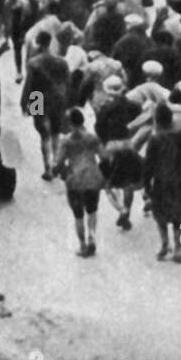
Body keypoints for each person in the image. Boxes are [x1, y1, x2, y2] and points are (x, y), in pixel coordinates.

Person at [142, 101, 181, 262]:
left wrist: (146, 185)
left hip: (161, 181)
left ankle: (164, 244)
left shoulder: (154, 139)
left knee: (160, 216)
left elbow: (148, 164)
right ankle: (179, 249)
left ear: (156, 121)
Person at [93, 77, 144, 231]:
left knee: (109, 182)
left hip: (112, 145)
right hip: (129, 144)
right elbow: (139, 121)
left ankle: (121, 209)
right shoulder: (133, 105)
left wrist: (105, 141)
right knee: (128, 182)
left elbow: (99, 127)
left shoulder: (106, 107)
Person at [20, 30, 71, 179]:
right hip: (57, 97)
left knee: (44, 135)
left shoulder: (34, 62)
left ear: (38, 43)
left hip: (37, 97)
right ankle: (56, 163)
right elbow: (68, 83)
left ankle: (47, 169)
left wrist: (24, 103)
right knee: (56, 133)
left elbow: (28, 85)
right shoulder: (62, 61)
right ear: (49, 42)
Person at [54, 107, 104, 257]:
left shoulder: (66, 141)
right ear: (83, 120)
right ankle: (92, 238)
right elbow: (104, 156)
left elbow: (58, 162)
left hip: (74, 181)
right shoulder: (92, 138)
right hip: (92, 179)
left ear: (69, 123)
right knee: (92, 211)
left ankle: (82, 246)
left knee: (78, 215)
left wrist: (56, 171)